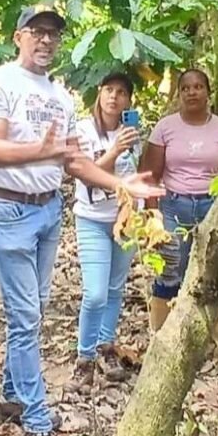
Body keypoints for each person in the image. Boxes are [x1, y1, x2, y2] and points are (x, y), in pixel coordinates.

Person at [0, 5, 162, 436]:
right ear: (19, 37)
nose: (47, 41)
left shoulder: (61, 96)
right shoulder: (0, 81)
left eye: (54, 34)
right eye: (37, 32)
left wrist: (120, 184)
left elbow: (73, 162)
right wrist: (38, 151)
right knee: (27, 317)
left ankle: (13, 396)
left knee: (32, 309)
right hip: (8, 207)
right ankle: (37, 422)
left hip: (47, 211)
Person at [142, 68, 218, 372]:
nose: (192, 92)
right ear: (179, 93)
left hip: (212, 205)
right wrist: (152, 216)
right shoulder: (165, 127)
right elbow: (151, 174)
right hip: (174, 205)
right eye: (186, 88)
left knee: (217, 273)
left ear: (208, 92)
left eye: (199, 86)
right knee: (171, 270)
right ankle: (159, 340)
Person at [73, 70, 142, 387]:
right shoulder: (84, 131)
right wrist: (115, 150)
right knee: (96, 293)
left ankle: (105, 347)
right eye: (109, 90)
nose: (115, 97)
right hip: (92, 219)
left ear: (129, 100)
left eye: (122, 92)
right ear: (99, 94)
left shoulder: (133, 132)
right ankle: (84, 356)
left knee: (115, 289)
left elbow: (137, 177)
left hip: (125, 221)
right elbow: (87, 174)